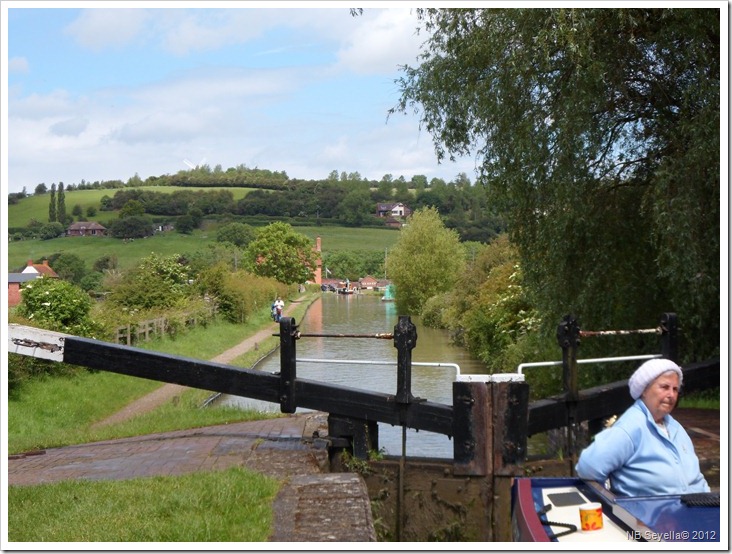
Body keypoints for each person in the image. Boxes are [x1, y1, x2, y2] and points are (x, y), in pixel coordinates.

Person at [575, 358, 710, 497]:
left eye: (675, 389)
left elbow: (696, 478)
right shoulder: (630, 428)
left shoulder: (676, 428)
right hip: (651, 515)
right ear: (644, 390)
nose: (671, 395)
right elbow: (587, 467)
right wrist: (611, 503)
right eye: (664, 387)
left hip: (698, 509)